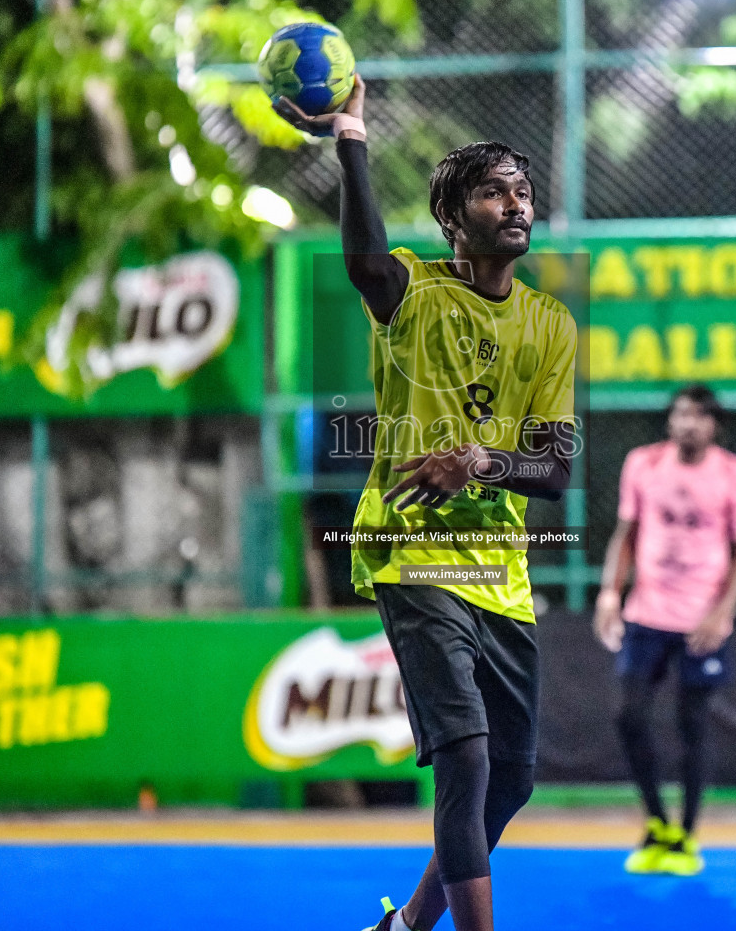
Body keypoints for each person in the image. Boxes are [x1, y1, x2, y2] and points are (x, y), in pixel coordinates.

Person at [277, 77, 578, 931]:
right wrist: (351, 137)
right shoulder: (413, 294)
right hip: (411, 553)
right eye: (494, 191)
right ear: (456, 221)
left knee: (512, 779)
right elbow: (366, 260)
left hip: (498, 571)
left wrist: (480, 462)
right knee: (469, 758)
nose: (516, 204)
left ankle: (406, 927)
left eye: (522, 190)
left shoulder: (550, 323)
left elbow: (554, 470)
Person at [593, 384, 736, 876]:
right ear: (671, 421)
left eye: (700, 415)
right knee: (628, 717)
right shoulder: (642, 464)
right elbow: (626, 534)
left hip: (700, 624)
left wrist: (720, 612)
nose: (689, 423)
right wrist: (609, 593)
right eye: (682, 413)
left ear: (714, 425)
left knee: (693, 727)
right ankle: (657, 824)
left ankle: (686, 836)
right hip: (647, 615)